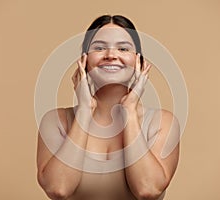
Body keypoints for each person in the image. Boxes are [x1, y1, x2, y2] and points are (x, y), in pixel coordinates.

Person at [36, 15, 180, 200]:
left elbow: (148, 190)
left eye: (123, 48)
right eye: (99, 47)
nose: (111, 55)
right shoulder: (55, 121)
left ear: (139, 62)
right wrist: (84, 111)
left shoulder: (162, 123)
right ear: (84, 60)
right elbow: (59, 189)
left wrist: (129, 110)